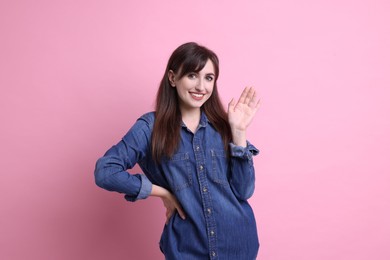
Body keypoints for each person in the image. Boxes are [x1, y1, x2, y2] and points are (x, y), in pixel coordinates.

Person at [94, 42, 261, 259]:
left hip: (238, 246)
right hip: (187, 249)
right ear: (173, 78)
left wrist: (239, 133)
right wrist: (163, 192)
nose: (201, 86)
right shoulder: (149, 128)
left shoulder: (223, 127)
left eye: (209, 78)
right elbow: (105, 172)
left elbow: (244, 191)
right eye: (192, 75)